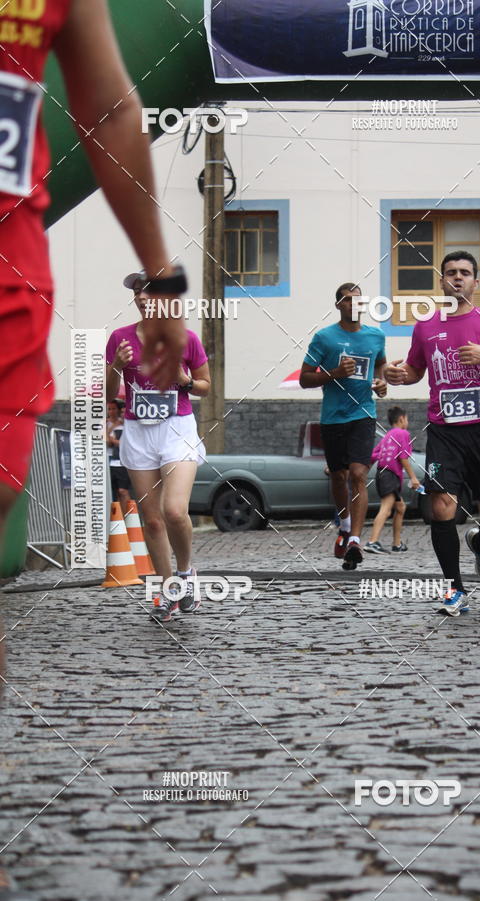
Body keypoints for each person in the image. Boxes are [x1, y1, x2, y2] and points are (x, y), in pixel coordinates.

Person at [0, 3, 187, 897]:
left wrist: (163, 281)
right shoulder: (111, 346)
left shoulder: (141, 336)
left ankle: (171, 584)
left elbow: (109, 108)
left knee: (171, 509)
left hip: (7, 267)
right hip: (135, 426)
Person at [386, 251, 480, 616]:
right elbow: (413, 370)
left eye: (465, 273)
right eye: (451, 273)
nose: (458, 278)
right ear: (441, 281)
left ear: (476, 281)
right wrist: (398, 376)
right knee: (443, 508)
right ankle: (453, 590)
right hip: (444, 431)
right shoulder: (425, 325)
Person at [106, 274, 211, 623]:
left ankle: (186, 574)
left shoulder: (186, 339)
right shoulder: (120, 339)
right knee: (151, 521)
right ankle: (167, 591)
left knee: (175, 511)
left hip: (176, 429)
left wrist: (186, 381)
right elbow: (109, 395)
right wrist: (117, 368)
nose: (141, 297)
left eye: (148, 291)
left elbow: (205, 387)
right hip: (138, 431)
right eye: (137, 293)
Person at [300, 282, 388, 570]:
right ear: (338, 305)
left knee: (359, 474)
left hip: (363, 413)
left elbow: (380, 366)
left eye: (360, 301)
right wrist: (334, 373)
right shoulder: (325, 338)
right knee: (339, 477)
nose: (355, 305)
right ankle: (344, 524)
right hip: (333, 417)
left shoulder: (376, 336)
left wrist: (382, 382)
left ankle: (355, 540)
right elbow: (304, 378)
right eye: (349, 301)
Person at [364, 407, 421, 554]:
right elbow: (403, 458)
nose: (407, 422)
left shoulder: (387, 436)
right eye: (407, 419)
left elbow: (372, 455)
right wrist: (414, 478)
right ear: (401, 419)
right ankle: (372, 542)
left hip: (382, 474)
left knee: (400, 507)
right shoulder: (403, 434)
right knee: (386, 508)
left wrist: (363, 475)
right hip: (390, 475)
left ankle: (397, 544)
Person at [106, 399, 133, 516]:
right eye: (109, 409)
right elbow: (107, 441)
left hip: (123, 462)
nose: (111, 412)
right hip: (109, 462)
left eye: (114, 409)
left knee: (123, 491)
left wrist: (115, 441)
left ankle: (128, 519)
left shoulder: (126, 426)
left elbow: (126, 443)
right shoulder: (107, 424)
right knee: (111, 493)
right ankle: (115, 519)